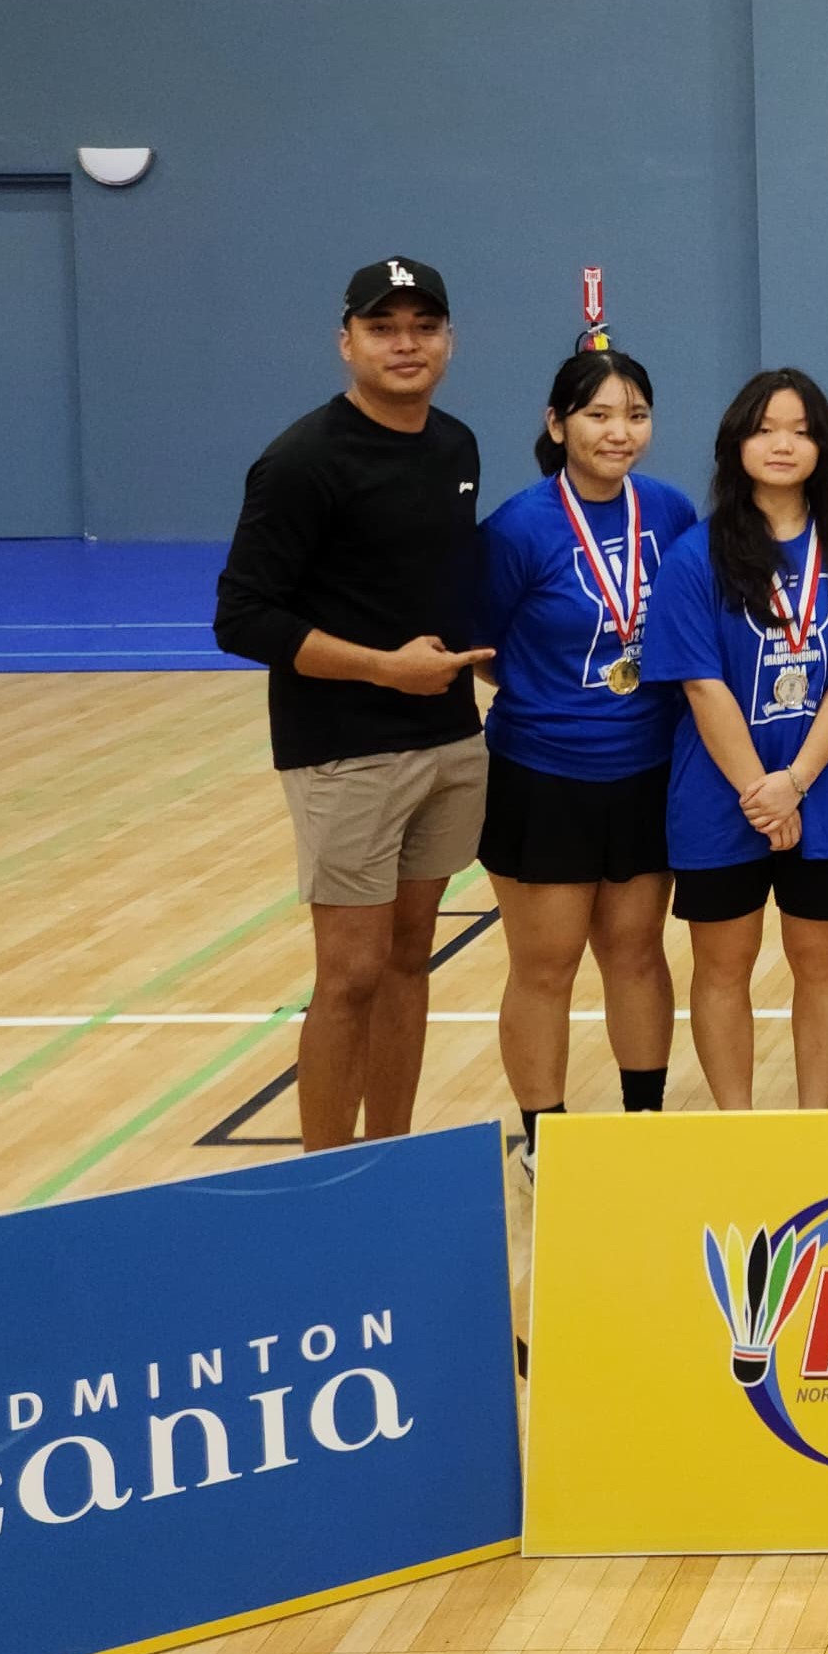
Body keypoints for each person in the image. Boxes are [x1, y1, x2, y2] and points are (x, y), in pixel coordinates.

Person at [213, 256, 493, 1151]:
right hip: (344, 747)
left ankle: (395, 1160)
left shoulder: (455, 445)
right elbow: (243, 615)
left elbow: (436, 585)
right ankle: (323, 1184)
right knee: (351, 974)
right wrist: (382, 668)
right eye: (383, 327)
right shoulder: (302, 460)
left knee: (412, 958)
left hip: (448, 739)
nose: (405, 343)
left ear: (449, 340)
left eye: (422, 326)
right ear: (347, 342)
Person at [470, 342, 694, 1162]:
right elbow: (481, 645)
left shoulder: (669, 513)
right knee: (546, 964)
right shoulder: (518, 528)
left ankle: (643, 1122)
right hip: (543, 775)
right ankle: (545, 1139)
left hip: (648, 768)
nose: (618, 431)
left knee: (636, 950)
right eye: (598, 414)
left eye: (635, 414)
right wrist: (551, 698)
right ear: (557, 423)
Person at [659, 370, 828, 1110]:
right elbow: (702, 685)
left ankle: (811, 1126)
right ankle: (740, 1125)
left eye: (800, 430)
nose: (782, 443)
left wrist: (793, 781)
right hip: (718, 797)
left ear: (823, 447)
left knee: (821, 961)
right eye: (765, 428)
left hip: (824, 790)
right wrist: (759, 792)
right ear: (736, 442)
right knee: (722, 964)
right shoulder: (692, 556)